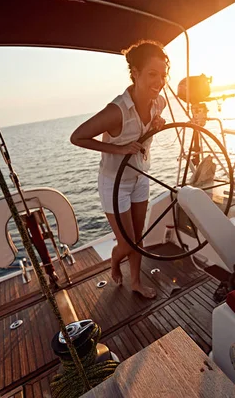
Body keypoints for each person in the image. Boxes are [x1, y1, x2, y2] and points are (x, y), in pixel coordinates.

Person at [70, 40, 169, 299]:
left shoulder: (159, 103)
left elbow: (148, 132)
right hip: (115, 183)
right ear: (135, 73)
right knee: (127, 243)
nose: (159, 81)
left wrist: (157, 124)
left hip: (141, 178)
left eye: (162, 75)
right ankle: (114, 263)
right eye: (151, 74)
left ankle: (135, 282)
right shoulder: (116, 111)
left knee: (139, 237)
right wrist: (118, 148)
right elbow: (77, 137)